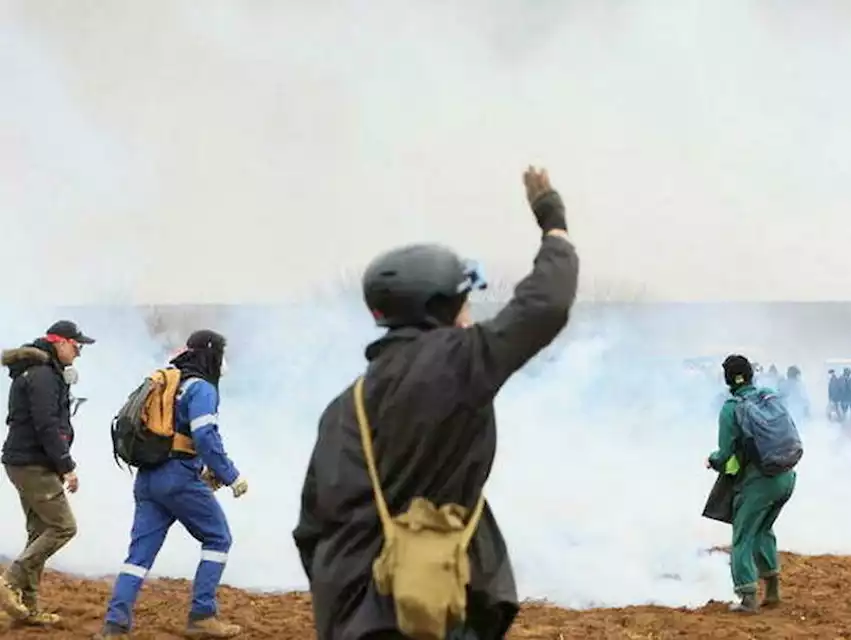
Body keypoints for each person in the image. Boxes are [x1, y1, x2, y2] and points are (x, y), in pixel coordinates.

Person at [293, 167, 578, 640]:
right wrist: (552, 218)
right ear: (440, 307)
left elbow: (310, 531)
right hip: (427, 616)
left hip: (348, 619)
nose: (470, 314)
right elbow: (545, 304)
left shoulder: (344, 407)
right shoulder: (457, 364)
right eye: (464, 302)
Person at [99, 330, 247, 639]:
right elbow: (205, 436)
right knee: (218, 539)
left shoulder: (170, 381)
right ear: (211, 354)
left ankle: (114, 625)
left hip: (148, 479)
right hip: (178, 478)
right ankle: (203, 615)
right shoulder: (201, 388)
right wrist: (231, 475)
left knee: (138, 557)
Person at [0, 321, 93, 624]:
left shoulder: (40, 372)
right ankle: (10, 581)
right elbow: (46, 425)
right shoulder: (43, 375)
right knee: (63, 527)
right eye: (77, 346)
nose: (79, 353)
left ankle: (28, 608)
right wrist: (67, 466)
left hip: (25, 461)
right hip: (32, 463)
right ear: (61, 342)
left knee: (39, 531)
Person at [707, 355, 799, 613]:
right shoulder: (768, 396)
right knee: (763, 531)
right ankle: (772, 591)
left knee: (743, 537)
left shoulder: (731, 408)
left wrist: (713, 461)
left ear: (728, 379)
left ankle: (747, 597)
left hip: (760, 482)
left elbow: (724, 453)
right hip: (786, 476)